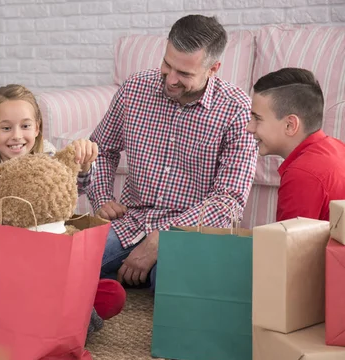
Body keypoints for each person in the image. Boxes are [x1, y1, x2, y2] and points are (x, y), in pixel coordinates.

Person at [88, 14, 258, 289]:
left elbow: (229, 200)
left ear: (213, 68)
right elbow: (101, 150)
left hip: (188, 234)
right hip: (130, 222)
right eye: (167, 64)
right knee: (68, 260)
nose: (171, 80)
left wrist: (162, 237)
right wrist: (102, 199)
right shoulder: (135, 89)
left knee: (174, 285)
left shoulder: (237, 109)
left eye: (185, 74)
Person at [0, 84, 127, 331]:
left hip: (49, 281)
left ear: (37, 128)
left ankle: (27, 318)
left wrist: (84, 164)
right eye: (6, 128)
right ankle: (36, 319)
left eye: (25, 126)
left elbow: (77, 185)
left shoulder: (48, 165)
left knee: (112, 294)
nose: (17, 135)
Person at [247, 67, 345, 222]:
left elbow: (288, 244)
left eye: (257, 118)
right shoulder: (338, 147)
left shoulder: (302, 174)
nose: (249, 128)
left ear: (290, 125)